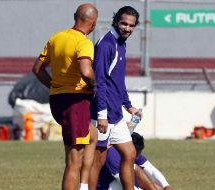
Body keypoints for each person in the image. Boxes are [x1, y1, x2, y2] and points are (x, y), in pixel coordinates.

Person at [32, 3, 98, 190]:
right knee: (73, 162)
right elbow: (86, 71)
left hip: (58, 100)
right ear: (93, 24)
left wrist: (54, 85)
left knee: (93, 135)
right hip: (75, 103)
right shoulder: (84, 42)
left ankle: (84, 185)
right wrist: (95, 86)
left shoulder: (57, 37)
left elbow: (37, 69)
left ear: (74, 16)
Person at [89, 6, 141, 190]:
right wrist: (101, 115)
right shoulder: (106, 44)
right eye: (124, 23)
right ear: (116, 21)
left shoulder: (121, 43)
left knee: (129, 153)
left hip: (116, 114)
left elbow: (118, 81)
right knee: (98, 159)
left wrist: (128, 105)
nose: (127, 28)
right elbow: (100, 81)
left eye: (131, 25)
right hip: (104, 115)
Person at [97, 132, 172, 190]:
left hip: (118, 183)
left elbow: (150, 169)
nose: (138, 156)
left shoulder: (130, 150)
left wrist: (166, 185)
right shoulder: (112, 155)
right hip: (106, 186)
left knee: (156, 186)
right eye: (137, 153)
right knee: (135, 169)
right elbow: (128, 185)